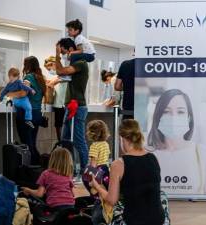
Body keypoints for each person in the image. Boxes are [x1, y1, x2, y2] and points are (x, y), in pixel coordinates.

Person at [91, 119, 165, 225]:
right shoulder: (153, 158)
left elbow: (112, 200)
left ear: (122, 138)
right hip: (158, 219)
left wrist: (97, 186)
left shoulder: (118, 164)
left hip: (134, 220)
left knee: (100, 212)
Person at [147, 89, 206, 193]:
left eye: (180, 111)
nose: (173, 117)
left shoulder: (201, 153)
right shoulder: (148, 154)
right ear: (158, 116)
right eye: (166, 112)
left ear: (189, 117)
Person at [55, 38, 89, 175]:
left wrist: (56, 55)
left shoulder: (81, 63)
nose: (62, 55)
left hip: (78, 107)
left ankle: (85, 172)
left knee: (79, 142)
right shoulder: (75, 64)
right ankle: (68, 171)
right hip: (70, 106)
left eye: (63, 51)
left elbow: (60, 71)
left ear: (70, 50)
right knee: (65, 141)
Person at [7, 56, 46, 165]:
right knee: (32, 142)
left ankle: (31, 170)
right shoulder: (40, 78)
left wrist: (11, 95)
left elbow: (23, 93)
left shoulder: (28, 77)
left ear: (27, 65)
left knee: (27, 144)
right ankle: (37, 168)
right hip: (37, 114)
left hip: (26, 114)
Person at [45, 56, 67, 141]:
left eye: (49, 69)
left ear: (54, 64)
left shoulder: (64, 74)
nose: (50, 71)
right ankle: (61, 144)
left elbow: (51, 84)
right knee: (58, 126)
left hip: (62, 105)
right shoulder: (57, 76)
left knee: (61, 127)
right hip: (58, 104)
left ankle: (62, 145)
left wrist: (49, 83)